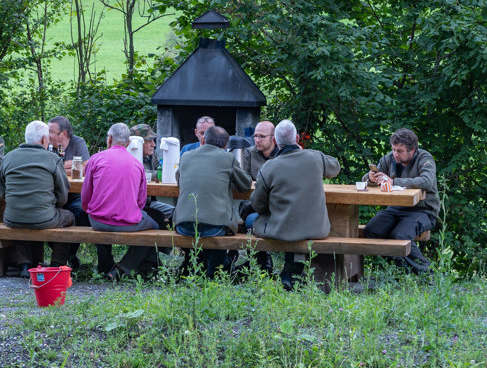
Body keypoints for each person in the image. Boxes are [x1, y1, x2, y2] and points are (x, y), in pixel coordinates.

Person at [247, 119, 341, 290]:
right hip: (316, 229)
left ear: (275, 141)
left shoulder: (269, 168)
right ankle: (292, 272)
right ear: (297, 138)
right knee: (294, 219)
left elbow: (258, 205)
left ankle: (263, 266)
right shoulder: (316, 157)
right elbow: (335, 167)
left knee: (251, 218)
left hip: (282, 229)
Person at [81, 123, 157, 281]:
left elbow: (86, 196)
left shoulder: (95, 159)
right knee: (155, 227)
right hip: (127, 222)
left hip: (97, 221)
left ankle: (106, 264)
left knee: (102, 216)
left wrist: (93, 210)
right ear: (128, 143)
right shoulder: (137, 164)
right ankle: (127, 267)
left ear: (109, 139)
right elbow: (141, 202)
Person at [174, 126, 252, 278]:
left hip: (182, 225)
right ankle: (215, 270)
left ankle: (193, 265)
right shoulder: (228, 158)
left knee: (206, 222)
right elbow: (245, 185)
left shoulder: (186, 156)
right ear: (225, 146)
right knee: (219, 222)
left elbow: (179, 182)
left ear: (203, 140)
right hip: (214, 228)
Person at [0, 120, 73, 277]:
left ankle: (24, 264)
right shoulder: (53, 159)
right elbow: (63, 195)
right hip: (44, 217)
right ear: (44, 140)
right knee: (70, 217)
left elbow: (3, 192)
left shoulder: (8, 158)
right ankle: (57, 263)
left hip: (12, 217)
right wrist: (53, 205)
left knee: (22, 213)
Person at [362, 128, 440, 274]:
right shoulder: (389, 158)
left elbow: (427, 182)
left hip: (423, 209)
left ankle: (428, 274)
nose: (395, 154)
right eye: (393, 149)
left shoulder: (424, 158)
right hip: (395, 208)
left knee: (400, 236)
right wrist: (370, 178)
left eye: (400, 151)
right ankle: (398, 271)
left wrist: (394, 181)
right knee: (372, 231)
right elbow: (367, 179)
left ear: (412, 150)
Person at [47, 116, 92, 268]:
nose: (48, 135)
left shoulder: (77, 142)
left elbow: (88, 168)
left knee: (80, 212)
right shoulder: (47, 145)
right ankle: (66, 258)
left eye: (51, 132)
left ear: (63, 133)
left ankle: (68, 256)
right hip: (53, 194)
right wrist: (66, 166)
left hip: (74, 195)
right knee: (46, 213)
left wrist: (68, 166)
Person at [130, 123, 174, 225]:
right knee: (160, 217)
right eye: (149, 141)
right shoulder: (130, 157)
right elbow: (144, 175)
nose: (153, 144)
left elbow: (160, 170)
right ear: (138, 143)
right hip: (135, 206)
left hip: (151, 202)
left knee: (176, 212)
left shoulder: (152, 154)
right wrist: (161, 173)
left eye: (153, 140)